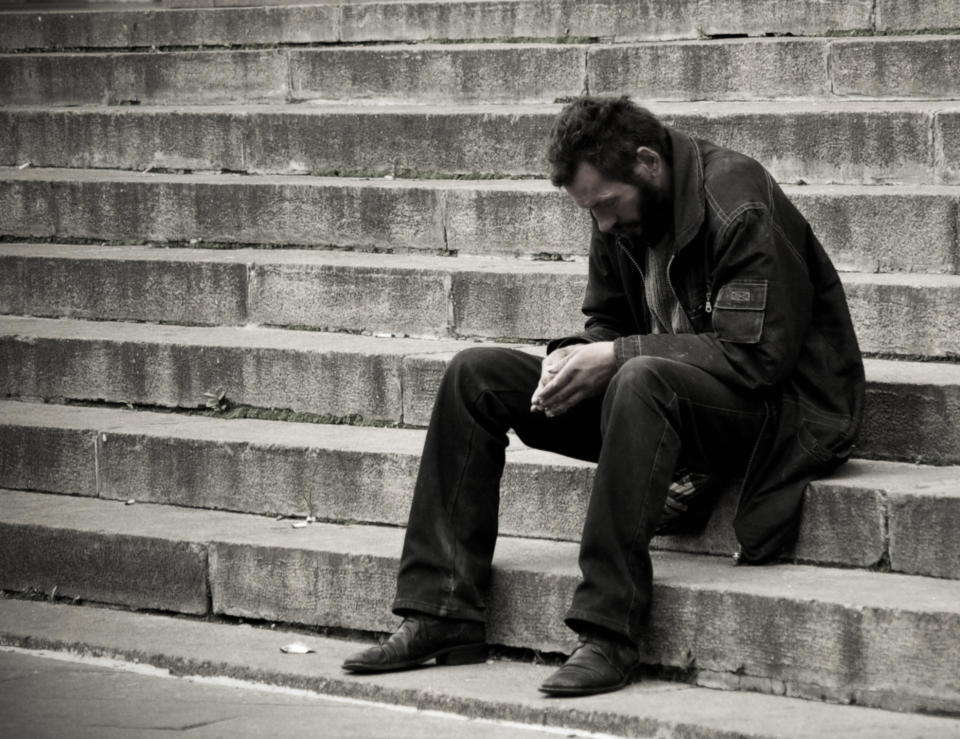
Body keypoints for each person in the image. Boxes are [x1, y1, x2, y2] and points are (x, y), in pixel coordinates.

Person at [342, 96, 865, 696]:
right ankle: (441, 611)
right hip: (660, 402)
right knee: (475, 374)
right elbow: (610, 321)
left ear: (647, 163)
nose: (604, 225)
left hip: (778, 414)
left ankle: (610, 633)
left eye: (607, 206)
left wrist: (616, 358)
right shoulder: (617, 215)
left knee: (641, 379)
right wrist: (576, 359)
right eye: (590, 211)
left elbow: (758, 359)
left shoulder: (737, 201)